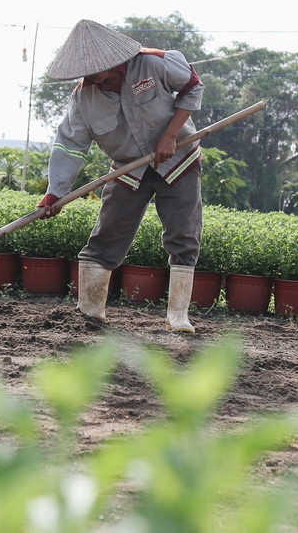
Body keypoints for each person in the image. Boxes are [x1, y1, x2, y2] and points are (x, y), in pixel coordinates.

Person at [38, 19, 204, 333]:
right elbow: (70, 147)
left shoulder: (153, 63)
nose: (90, 77)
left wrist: (170, 136)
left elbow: (192, 85)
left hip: (179, 161)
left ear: (114, 61)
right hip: (129, 169)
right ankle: (90, 312)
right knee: (106, 235)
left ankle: (178, 317)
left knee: (183, 235)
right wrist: (55, 192)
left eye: (96, 69)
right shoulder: (83, 99)